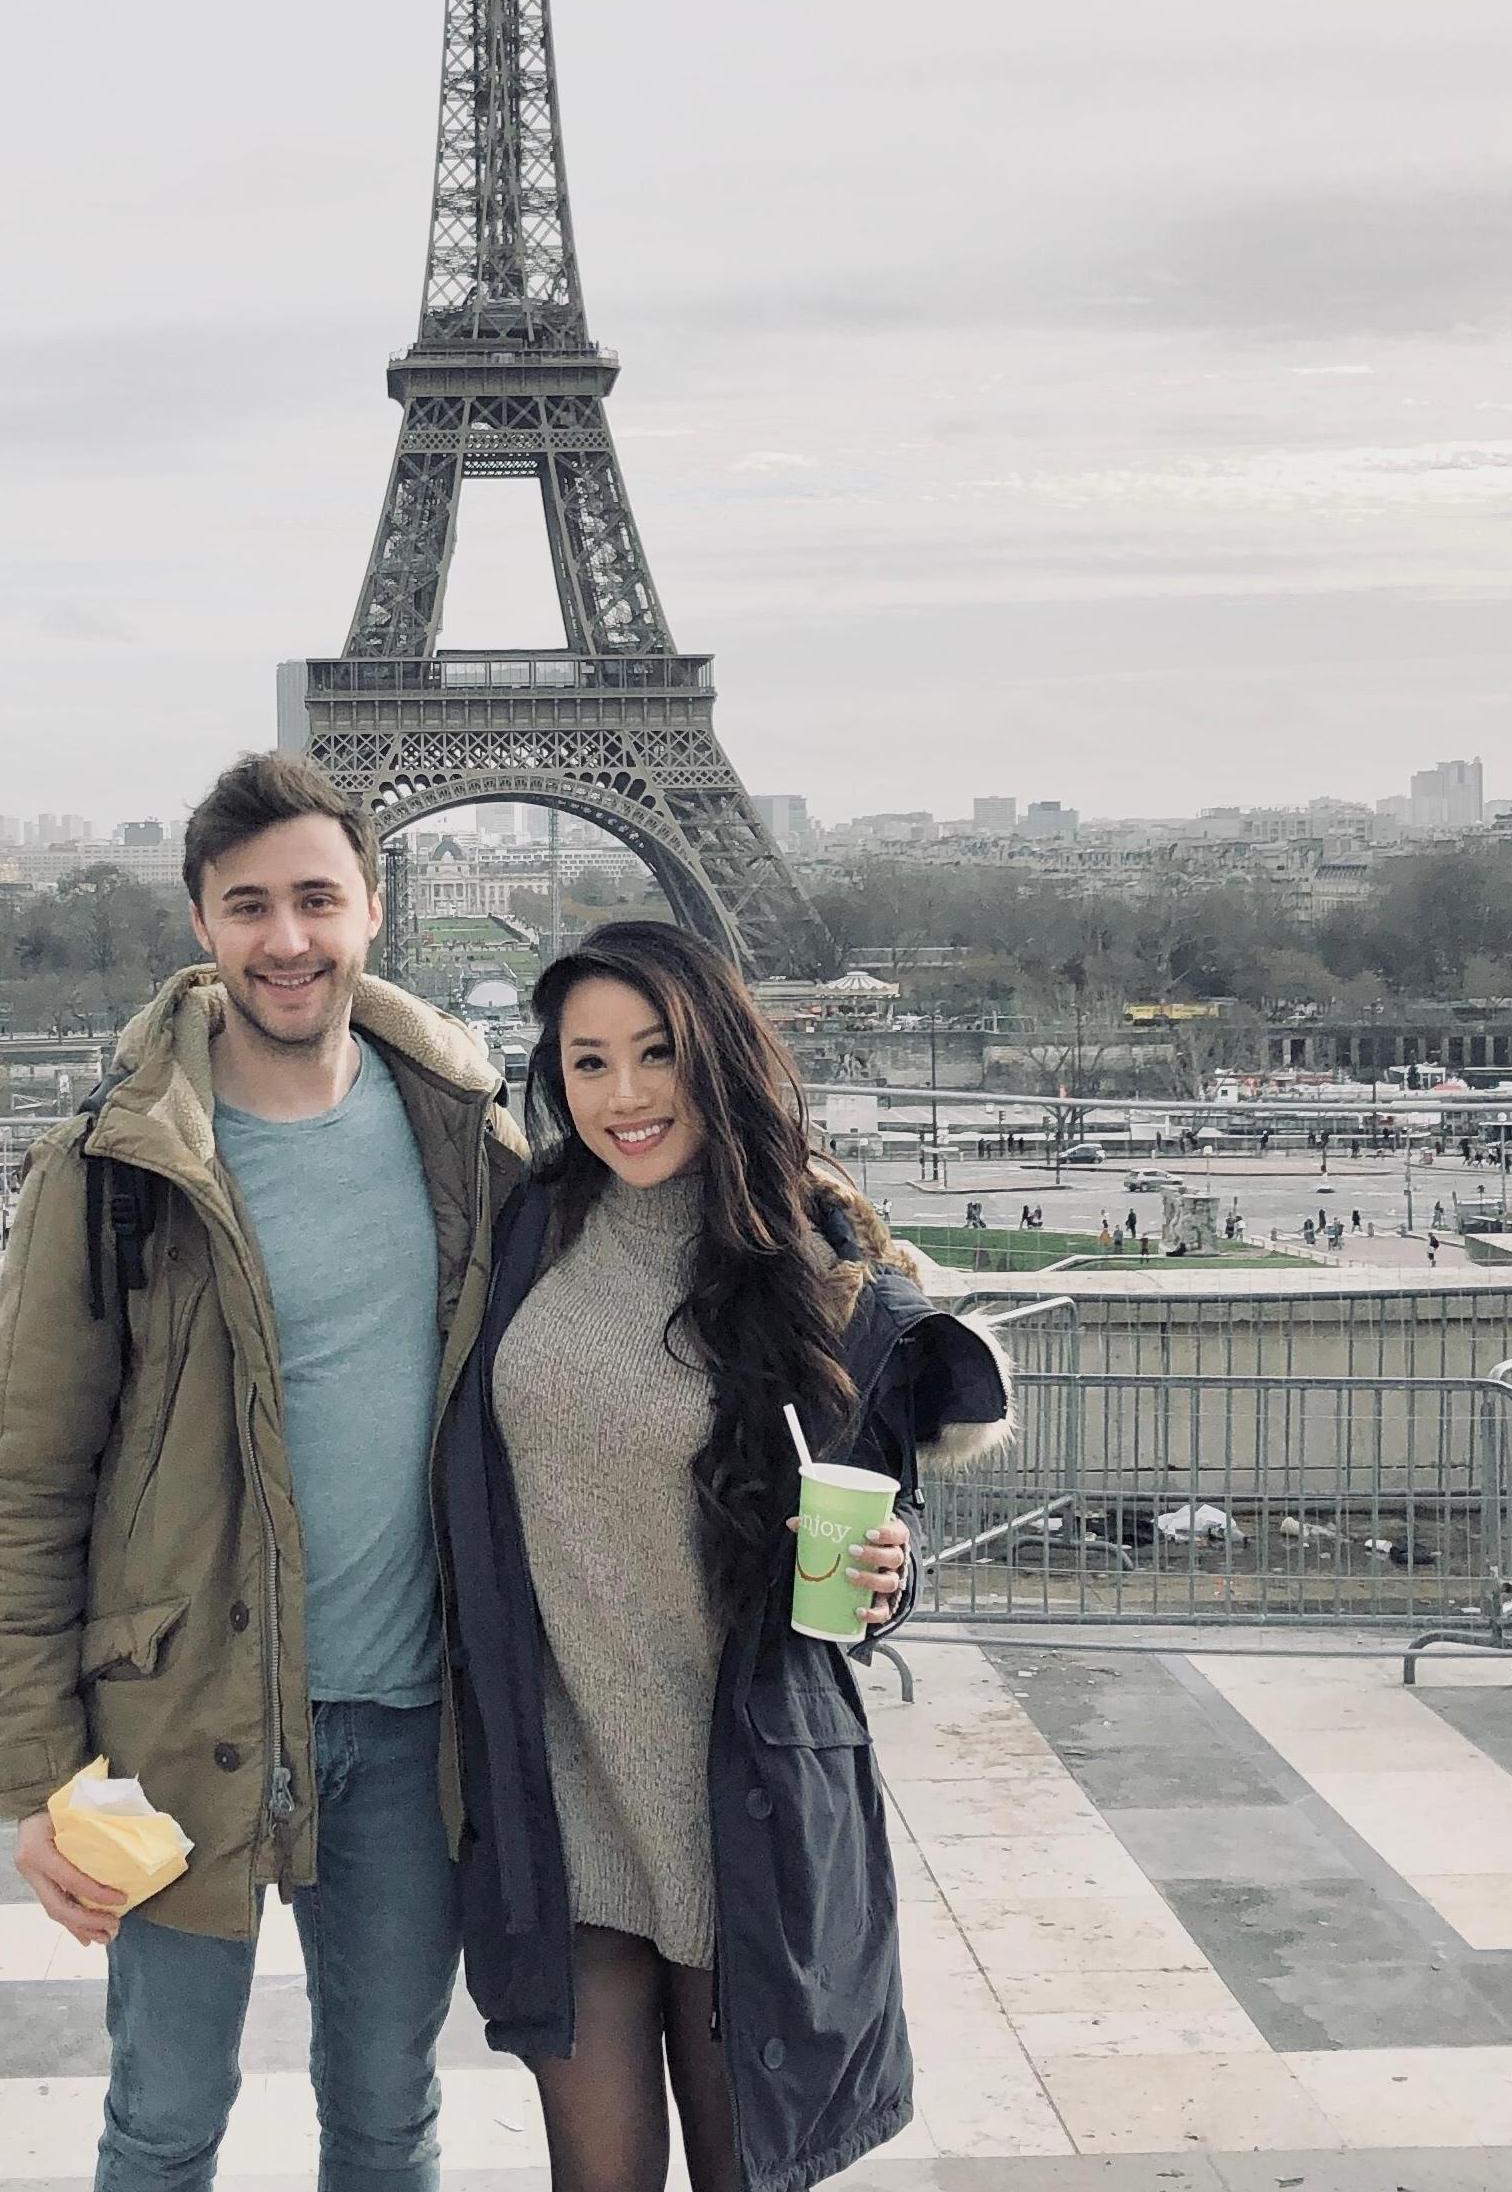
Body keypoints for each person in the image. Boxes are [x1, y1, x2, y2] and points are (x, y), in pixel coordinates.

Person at [0, 752, 525, 2192]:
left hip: (407, 1728)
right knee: (162, 2123)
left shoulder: (470, 1138)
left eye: (318, 900)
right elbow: (24, 1489)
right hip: (177, 1723)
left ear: (375, 910)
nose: (289, 940)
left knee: (389, 2122)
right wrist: (36, 1781)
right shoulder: (106, 1170)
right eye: (251, 906)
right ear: (203, 925)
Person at [440, 921, 1009, 2192]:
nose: (625, 1094)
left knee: (744, 2176)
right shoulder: (528, 1229)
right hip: (562, 1793)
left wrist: (891, 1574)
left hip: (734, 1801)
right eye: (588, 1063)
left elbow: (875, 1530)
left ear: (720, 1058)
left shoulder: (810, 1273)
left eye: (657, 1053)